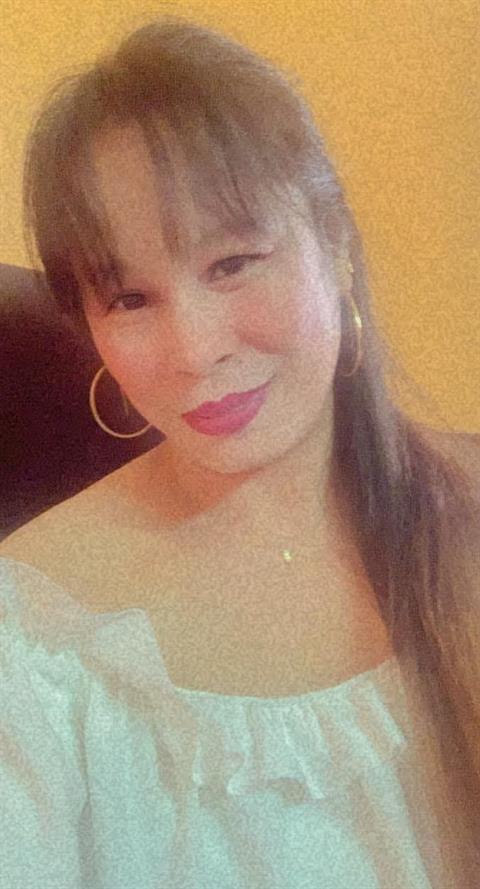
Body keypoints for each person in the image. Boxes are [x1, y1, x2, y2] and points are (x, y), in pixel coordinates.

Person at [1, 15, 479, 888]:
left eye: (232, 263)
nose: (194, 350)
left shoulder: (462, 515)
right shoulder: (31, 641)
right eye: (130, 298)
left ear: (333, 242)